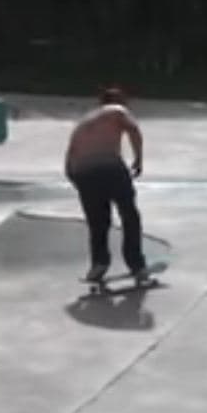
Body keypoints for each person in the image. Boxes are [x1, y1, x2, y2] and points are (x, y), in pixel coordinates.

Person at [64, 85, 147, 282]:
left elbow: (70, 156)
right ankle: (137, 265)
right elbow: (133, 130)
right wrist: (138, 159)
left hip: (82, 172)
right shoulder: (117, 110)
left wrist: (78, 181)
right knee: (129, 214)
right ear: (120, 101)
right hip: (109, 166)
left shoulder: (83, 122)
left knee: (98, 222)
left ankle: (98, 264)